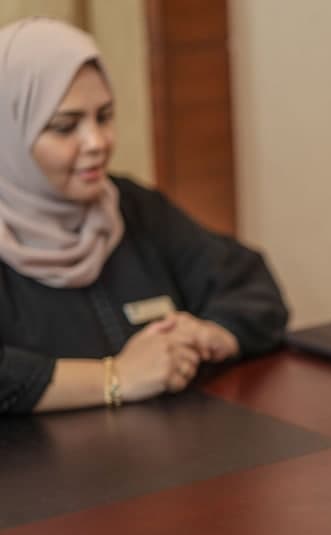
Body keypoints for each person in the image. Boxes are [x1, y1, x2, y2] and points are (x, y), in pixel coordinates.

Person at [0, 17, 288, 415]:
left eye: (104, 117)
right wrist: (116, 377)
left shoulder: (132, 207)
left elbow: (250, 285)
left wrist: (212, 333)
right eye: (65, 127)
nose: (97, 142)